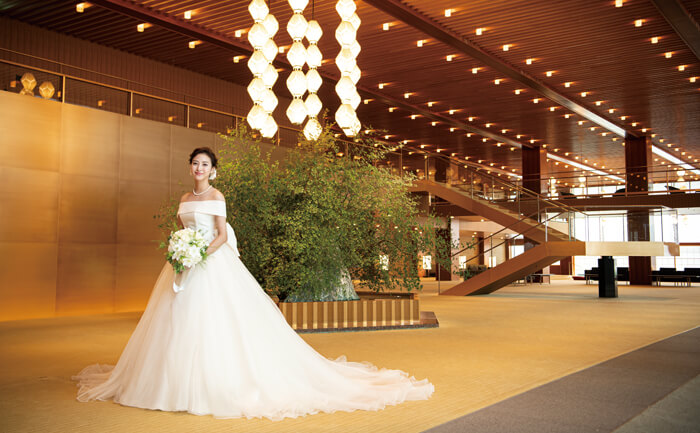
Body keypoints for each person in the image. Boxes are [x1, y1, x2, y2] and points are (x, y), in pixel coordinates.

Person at [73, 147, 434, 420]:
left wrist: (199, 254)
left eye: (204, 164)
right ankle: (170, 383)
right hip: (183, 265)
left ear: (213, 171)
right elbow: (182, 229)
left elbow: (220, 235)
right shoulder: (184, 199)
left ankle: (213, 383)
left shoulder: (216, 197)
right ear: (190, 167)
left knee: (216, 322)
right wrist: (181, 249)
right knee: (175, 319)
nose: (199, 168)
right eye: (195, 163)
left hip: (210, 263)